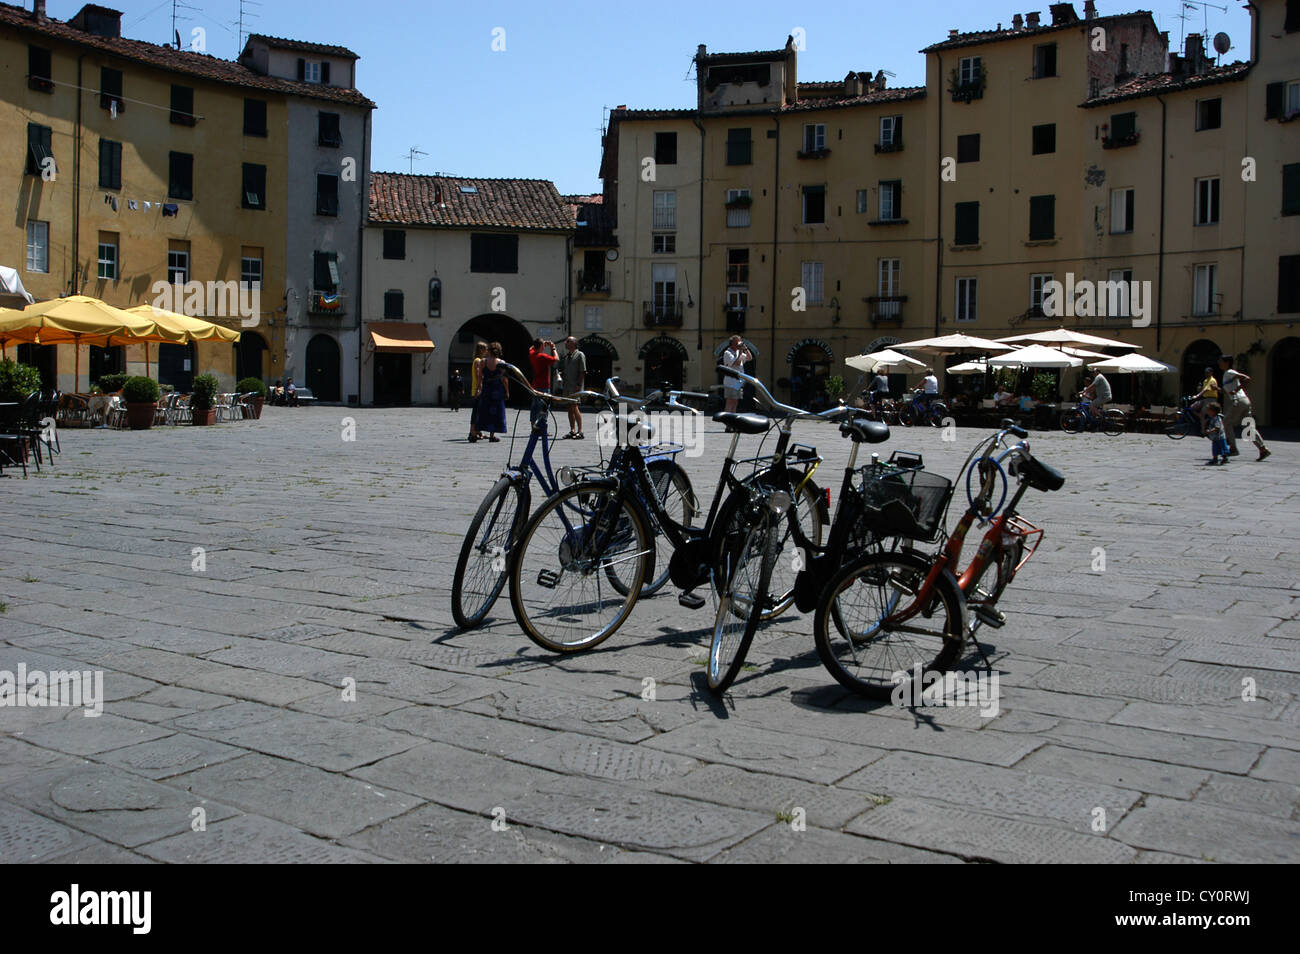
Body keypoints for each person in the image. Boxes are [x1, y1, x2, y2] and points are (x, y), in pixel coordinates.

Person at [1218, 354, 1270, 461]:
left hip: (1238, 401)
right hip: (1245, 401)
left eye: (1221, 361)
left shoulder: (1230, 372)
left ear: (1226, 363)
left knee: (1226, 422)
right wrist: (1217, 389)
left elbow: (1246, 378)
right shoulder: (1227, 374)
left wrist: (1236, 390)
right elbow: (1227, 391)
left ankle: (1233, 448)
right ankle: (1263, 449)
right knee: (1248, 428)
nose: (1219, 363)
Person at [475, 342, 508, 442]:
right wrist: (507, 391)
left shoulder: (483, 362)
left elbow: (480, 377)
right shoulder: (501, 362)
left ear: (489, 351)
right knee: (495, 412)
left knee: (484, 410)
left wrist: (478, 388)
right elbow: (505, 379)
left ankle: (477, 431)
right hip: (497, 390)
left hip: (487, 389)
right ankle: (492, 435)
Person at [559, 336, 586, 439]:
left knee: (574, 407)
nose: (566, 343)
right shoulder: (567, 357)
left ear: (574, 343)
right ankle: (572, 430)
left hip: (575, 386)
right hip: (567, 386)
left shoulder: (580, 355)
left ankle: (580, 431)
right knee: (569, 408)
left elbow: (582, 371)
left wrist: (579, 385)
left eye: (568, 341)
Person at [527, 338, 558, 427]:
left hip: (535, 386)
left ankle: (534, 427)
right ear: (541, 346)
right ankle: (542, 428)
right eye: (543, 346)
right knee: (543, 409)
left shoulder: (532, 354)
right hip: (544, 386)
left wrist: (542, 343)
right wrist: (553, 348)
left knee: (534, 408)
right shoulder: (542, 356)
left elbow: (530, 348)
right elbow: (556, 359)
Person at [721, 335, 752, 412]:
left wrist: (745, 349)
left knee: (735, 402)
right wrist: (741, 352)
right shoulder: (727, 353)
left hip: (738, 382)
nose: (739, 343)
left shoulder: (738, 352)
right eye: (737, 342)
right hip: (730, 382)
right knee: (730, 402)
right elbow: (737, 363)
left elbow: (749, 358)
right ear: (732, 344)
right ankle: (727, 419)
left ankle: (732, 420)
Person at [468, 341, 488, 442]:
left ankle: (477, 431)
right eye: (485, 349)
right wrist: (480, 387)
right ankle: (472, 432)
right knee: (476, 412)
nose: (487, 351)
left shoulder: (477, 360)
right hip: (478, 390)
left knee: (479, 412)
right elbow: (478, 375)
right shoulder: (478, 361)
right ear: (481, 350)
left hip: (477, 389)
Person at [1203, 401, 1231, 465]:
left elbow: (1217, 428)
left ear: (1213, 411)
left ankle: (1225, 458)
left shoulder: (1217, 419)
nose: (1208, 412)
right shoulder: (1213, 418)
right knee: (1215, 448)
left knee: (1222, 448)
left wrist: (1209, 431)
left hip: (1220, 437)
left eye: (1209, 411)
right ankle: (1215, 459)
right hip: (1215, 437)